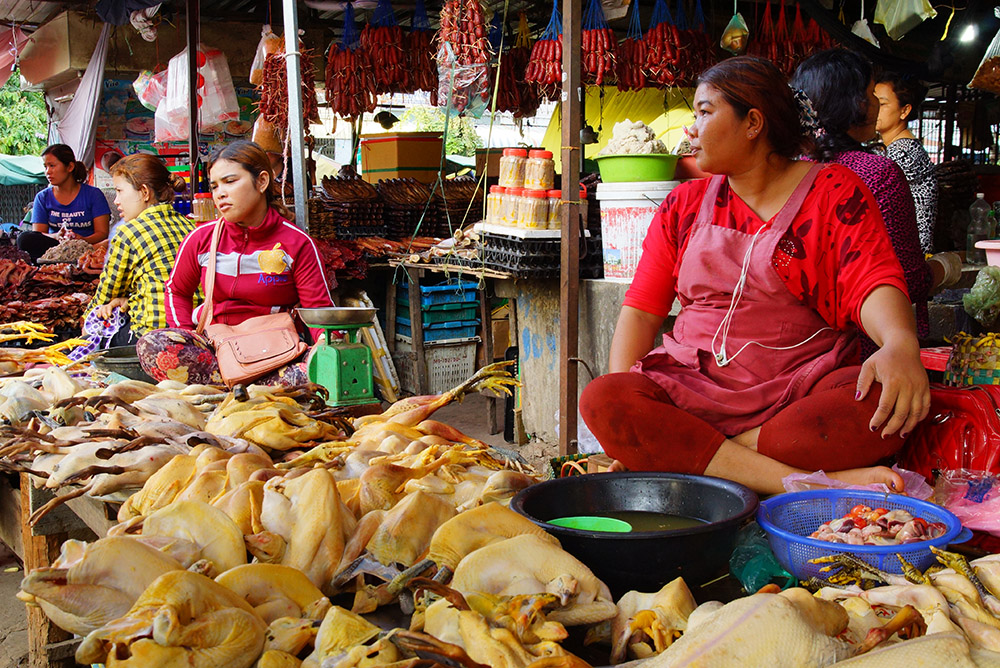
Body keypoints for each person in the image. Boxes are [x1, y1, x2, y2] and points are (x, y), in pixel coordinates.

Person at [578, 56, 930, 495]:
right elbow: (642, 310)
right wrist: (624, 394)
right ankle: (809, 484)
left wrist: (899, 342)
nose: (691, 128)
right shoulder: (683, 204)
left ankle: (700, 461)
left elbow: (871, 280)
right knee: (606, 399)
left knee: (879, 405)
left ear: (753, 123)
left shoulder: (832, 190)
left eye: (704, 112)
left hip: (798, 387)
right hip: (694, 385)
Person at [137, 140, 334, 385]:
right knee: (153, 345)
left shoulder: (297, 243)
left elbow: (318, 310)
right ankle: (235, 386)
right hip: (215, 351)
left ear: (261, 181)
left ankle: (228, 389)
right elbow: (176, 290)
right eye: (215, 186)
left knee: (309, 376)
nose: (220, 193)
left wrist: (324, 347)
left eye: (230, 181)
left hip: (274, 355)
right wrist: (185, 334)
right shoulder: (201, 239)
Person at [790, 49, 933, 361]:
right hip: (862, 354)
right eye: (871, 94)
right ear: (854, 103)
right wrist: (942, 270)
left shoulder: (786, 173)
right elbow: (906, 278)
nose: (875, 104)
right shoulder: (878, 174)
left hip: (793, 353)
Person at [84, 154, 196, 346]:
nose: (117, 200)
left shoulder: (128, 232)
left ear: (144, 192)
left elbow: (106, 293)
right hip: (194, 329)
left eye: (120, 191)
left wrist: (86, 324)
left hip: (152, 336)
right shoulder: (189, 226)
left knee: (93, 333)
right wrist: (126, 301)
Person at [876, 72, 939, 254]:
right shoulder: (891, 148)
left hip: (908, 256)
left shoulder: (904, 152)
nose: (874, 109)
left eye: (882, 104)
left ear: (904, 110)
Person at [19, 144, 111, 262]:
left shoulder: (93, 195)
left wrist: (81, 239)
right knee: (24, 238)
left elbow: (102, 233)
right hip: (56, 248)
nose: (48, 172)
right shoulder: (42, 197)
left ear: (70, 167)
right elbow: (39, 234)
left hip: (88, 246)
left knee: (112, 241)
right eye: (45, 167)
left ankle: (80, 257)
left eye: (52, 166)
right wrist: (57, 236)